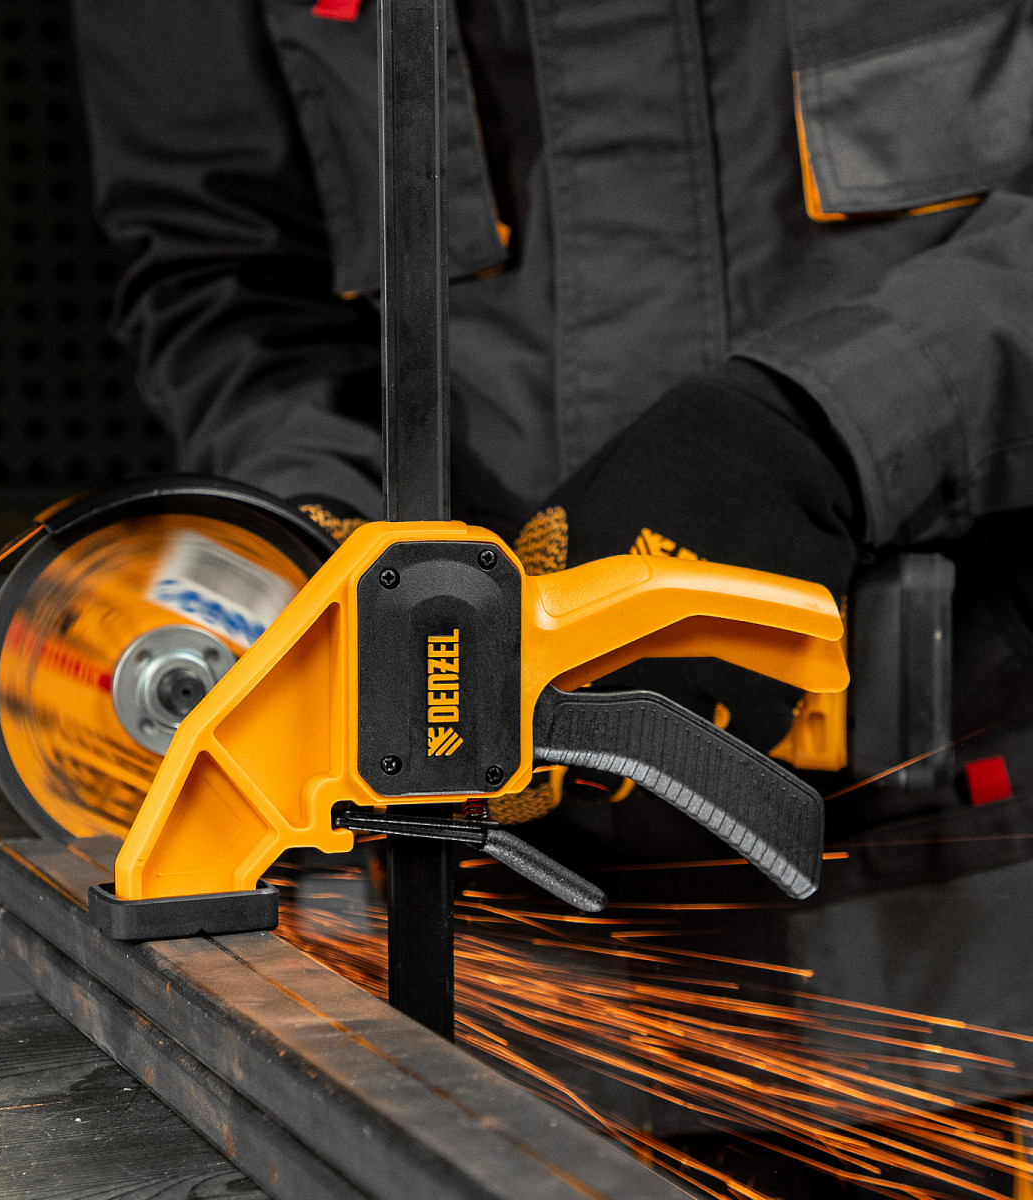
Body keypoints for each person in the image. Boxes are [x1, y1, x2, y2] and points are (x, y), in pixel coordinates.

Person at [70, 0, 1033, 791]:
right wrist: (316, 520)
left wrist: (828, 427)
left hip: (982, 764)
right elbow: (222, 267)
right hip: (484, 821)